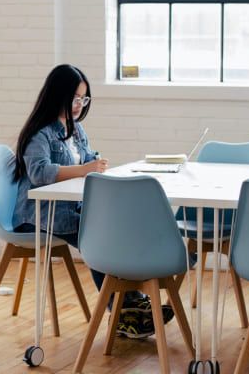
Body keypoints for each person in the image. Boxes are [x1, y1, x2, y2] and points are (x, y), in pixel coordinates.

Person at [12, 64, 168, 339]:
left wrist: (95, 164)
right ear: (56, 95)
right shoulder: (41, 132)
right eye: (75, 98)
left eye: (84, 99)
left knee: (113, 225)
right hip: (40, 214)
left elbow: (86, 160)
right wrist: (85, 169)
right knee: (99, 235)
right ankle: (123, 311)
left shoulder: (77, 130)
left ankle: (130, 306)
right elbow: (39, 173)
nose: (79, 105)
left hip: (71, 208)